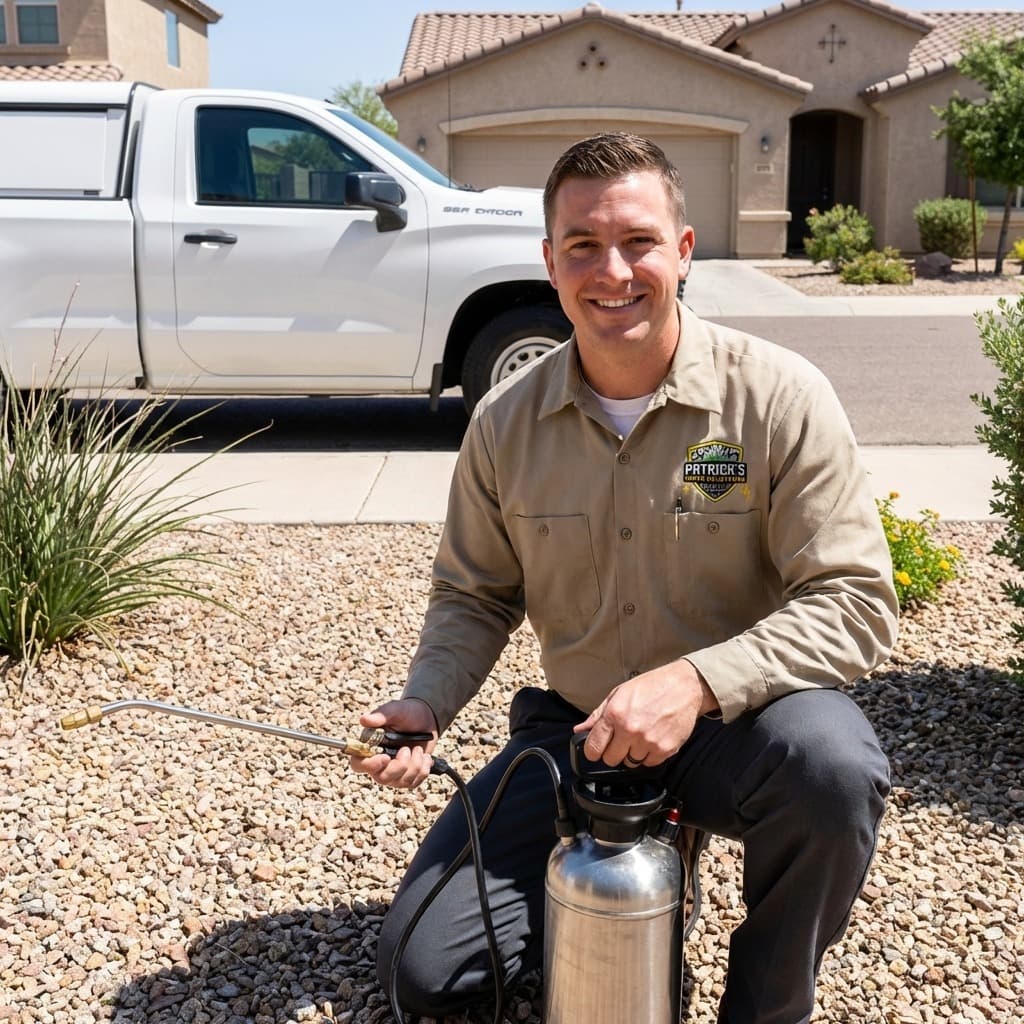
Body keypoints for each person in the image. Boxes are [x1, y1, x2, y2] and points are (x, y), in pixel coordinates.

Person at [352, 132, 898, 1023]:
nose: (613, 270)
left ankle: (766, 1004)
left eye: (639, 240)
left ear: (683, 252)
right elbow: (474, 592)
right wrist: (427, 699)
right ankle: (628, 871)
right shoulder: (504, 423)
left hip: (741, 726)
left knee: (833, 771)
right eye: (583, 246)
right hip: (578, 735)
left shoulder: (779, 398)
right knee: (430, 979)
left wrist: (693, 682)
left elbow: (856, 600)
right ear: (550, 263)